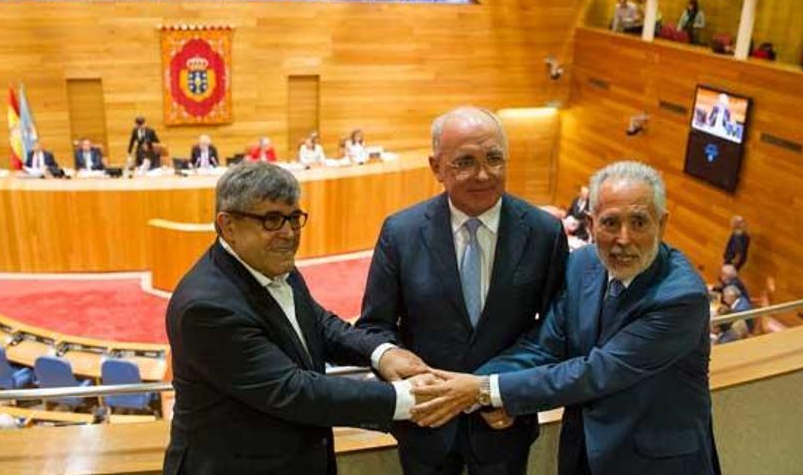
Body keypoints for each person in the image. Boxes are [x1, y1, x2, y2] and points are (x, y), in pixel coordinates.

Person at [410, 161, 721, 475]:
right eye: (611, 223)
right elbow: (544, 346)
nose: (624, 239)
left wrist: (483, 390)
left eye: (639, 222)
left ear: (662, 223)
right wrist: (467, 382)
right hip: (583, 453)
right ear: (591, 221)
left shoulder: (681, 297)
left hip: (657, 464)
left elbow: (596, 372)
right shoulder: (583, 264)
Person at [163, 162, 431, 475]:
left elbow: (320, 325)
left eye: (293, 218)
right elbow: (292, 390)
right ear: (228, 225)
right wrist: (404, 398)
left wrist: (382, 353)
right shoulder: (206, 308)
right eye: (271, 220)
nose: (289, 233)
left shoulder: (271, 263)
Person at [356, 107, 569, 475]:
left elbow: (554, 329)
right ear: (436, 167)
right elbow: (375, 328)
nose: (483, 174)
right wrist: (413, 383)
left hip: (505, 423)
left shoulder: (543, 232)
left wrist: (501, 389)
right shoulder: (401, 232)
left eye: (494, 158)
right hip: (426, 424)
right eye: (465, 162)